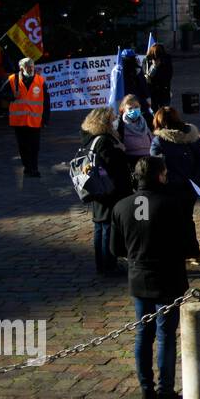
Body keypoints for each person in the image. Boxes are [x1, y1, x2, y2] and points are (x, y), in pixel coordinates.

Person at [111, 157, 199, 399]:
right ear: (160, 175)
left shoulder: (122, 206)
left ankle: (147, 391)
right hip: (169, 276)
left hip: (139, 276)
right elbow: (186, 244)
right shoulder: (173, 204)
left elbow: (115, 248)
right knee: (165, 336)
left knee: (143, 334)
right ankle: (166, 392)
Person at [80, 107, 133, 277]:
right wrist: (120, 151)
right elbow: (112, 165)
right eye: (112, 119)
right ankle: (107, 264)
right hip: (109, 190)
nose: (115, 121)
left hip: (99, 188)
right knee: (107, 229)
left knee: (100, 226)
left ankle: (103, 264)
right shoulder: (104, 140)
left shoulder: (91, 138)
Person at [150, 105, 200, 237]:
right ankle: (192, 252)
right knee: (187, 219)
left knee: (171, 222)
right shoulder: (191, 135)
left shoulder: (159, 141)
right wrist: (196, 180)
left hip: (170, 188)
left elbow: (155, 166)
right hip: (191, 187)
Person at [2, 57, 50, 177]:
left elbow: (46, 102)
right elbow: (1, 93)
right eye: (27, 67)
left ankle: (34, 168)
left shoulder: (40, 81)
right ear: (21, 68)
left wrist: (45, 119)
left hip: (35, 121)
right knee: (23, 146)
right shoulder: (13, 80)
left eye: (32, 66)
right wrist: (12, 96)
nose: (30, 69)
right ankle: (27, 167)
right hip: (19, 121)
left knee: (34, 146)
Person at [118, 94, 154, 162]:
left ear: (140, 107)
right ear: (123, 110)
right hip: (130, 160)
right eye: (130, 108)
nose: (134, 110)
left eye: (136, 107)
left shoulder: (147, 119)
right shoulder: (120, 124)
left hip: (148, 159)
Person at [144, 43, 174, 112]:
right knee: (153, 110)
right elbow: (147, 76)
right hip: (152, 91)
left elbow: (168, 77)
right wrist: (154, 67)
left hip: (163, 91)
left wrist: (160, 66)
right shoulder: (147, 60)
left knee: (164, 111)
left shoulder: (166, 61)